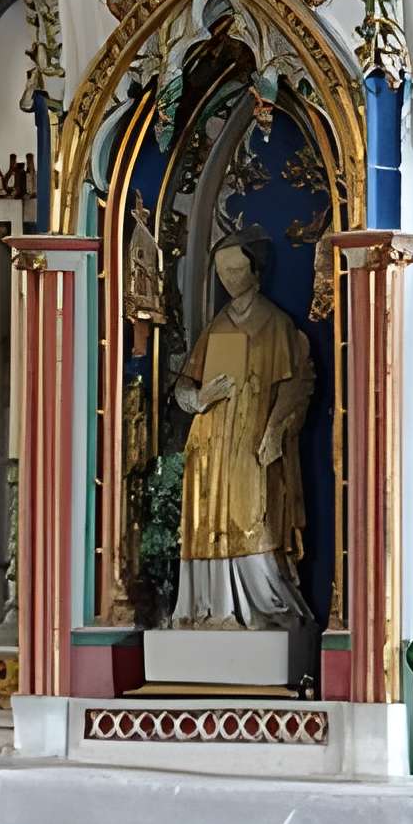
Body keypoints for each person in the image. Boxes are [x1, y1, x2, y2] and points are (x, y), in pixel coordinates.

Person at [171, 231, 315, 631]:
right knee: (205, 516)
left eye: (237, 269)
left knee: (251, 513)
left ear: (256, 271)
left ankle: (259, 602)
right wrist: (200, 399)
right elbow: (182, 386)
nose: (230, 279)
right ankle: (211, 607)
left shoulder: (276, 325)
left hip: (251, 442)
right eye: (223, 272)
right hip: (210, 442)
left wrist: (274, 431)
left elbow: (296, 385)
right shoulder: (216, 327)